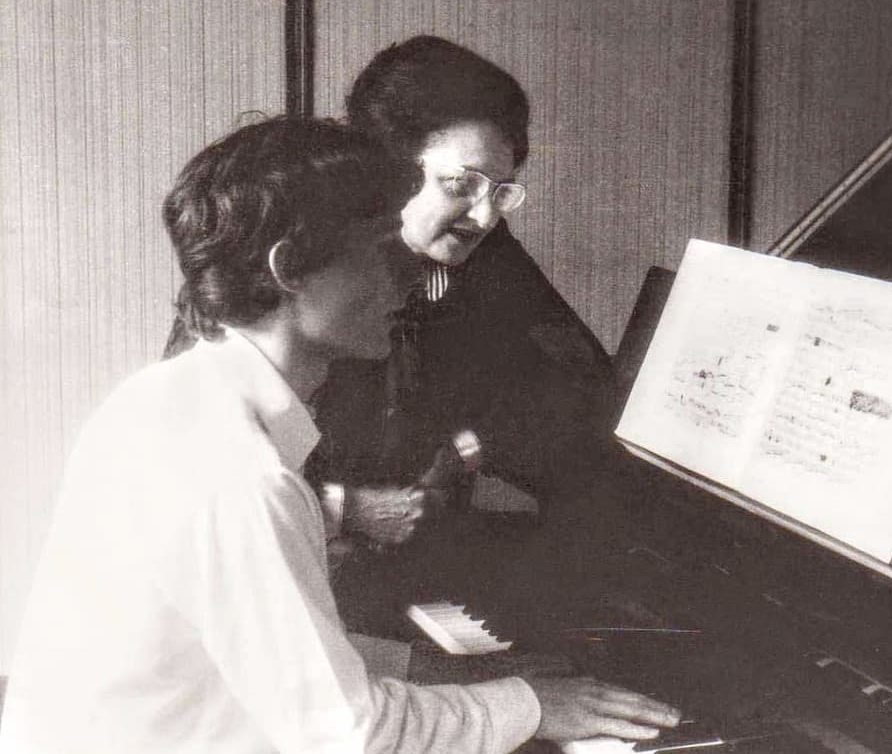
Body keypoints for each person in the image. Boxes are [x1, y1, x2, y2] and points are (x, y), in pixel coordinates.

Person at [0, 117, 679, 753]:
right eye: (383, 248)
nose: (411, 273)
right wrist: (529, 703)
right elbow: (349, 733)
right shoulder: (242, 476)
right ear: (290, 267)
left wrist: (432, 668)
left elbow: (267, 650)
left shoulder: (169, 397)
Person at [166, 36, 620, 549]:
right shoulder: (283, 249)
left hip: (408, 551)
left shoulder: (481, 243)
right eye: (460, 185)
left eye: (500, 191)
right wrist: (345, 509)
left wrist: (466, 447)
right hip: (287, 543)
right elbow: (197, 466)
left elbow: (578, 390)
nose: (485, 216)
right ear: (391, 169)